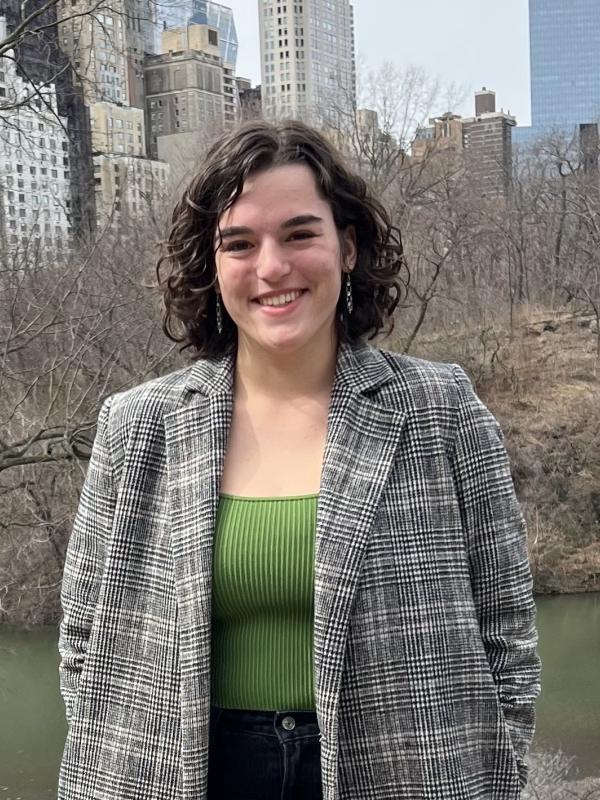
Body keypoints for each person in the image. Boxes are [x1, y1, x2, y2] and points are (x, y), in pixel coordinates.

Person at [58, 120, 541, 800]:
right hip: (182, 773)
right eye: (239, 243)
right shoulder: (138, 426)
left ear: (347, 246)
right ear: (213, 263)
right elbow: (85, 639)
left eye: (299, 233)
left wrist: (501, 769)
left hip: (405, 773)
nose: (271, 267)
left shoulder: (441, 409)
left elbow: (507, 629)